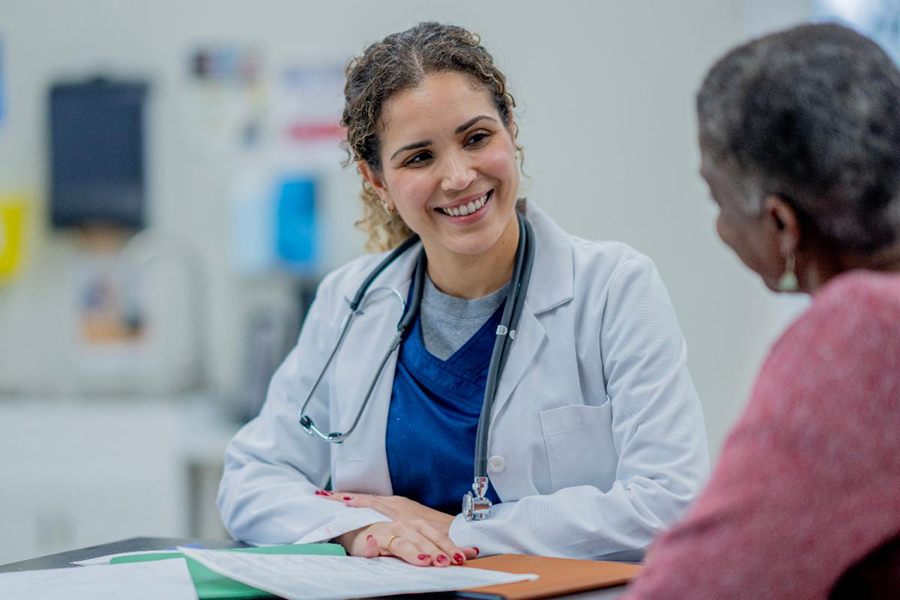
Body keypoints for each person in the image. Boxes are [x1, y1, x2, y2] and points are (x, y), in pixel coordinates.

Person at [218, 21, 708, 568]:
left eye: (476, 138)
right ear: (377, 182)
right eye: (418, 157)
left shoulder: (614, 289)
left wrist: (467, 530)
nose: (458, 176)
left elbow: (671, 503)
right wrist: (359, 529)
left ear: (510, 131)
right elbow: (248, 480)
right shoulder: (350, 301)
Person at [624, 23, 900, 599]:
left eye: (717, 200)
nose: (720, 227)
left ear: (780, 223)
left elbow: (702, 586)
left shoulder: (866, 327)